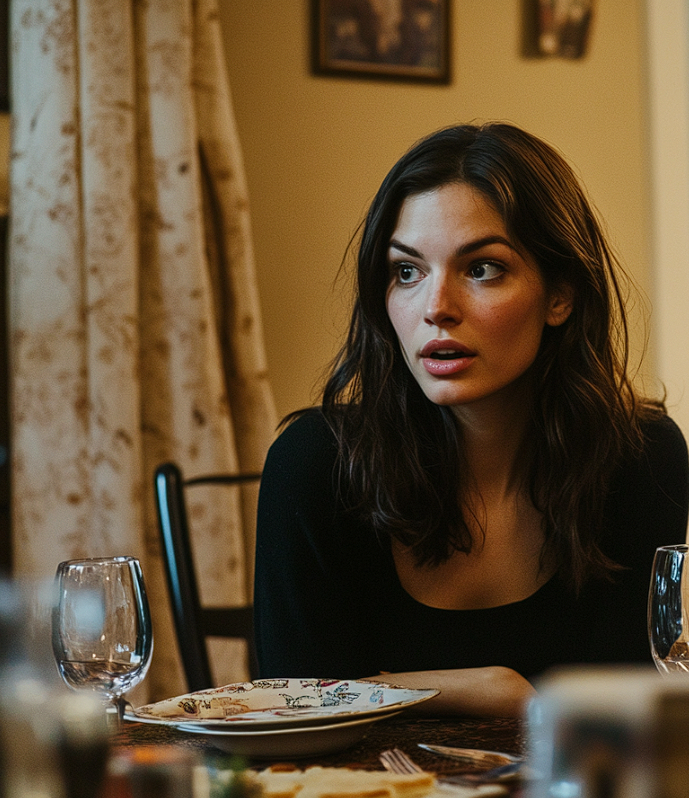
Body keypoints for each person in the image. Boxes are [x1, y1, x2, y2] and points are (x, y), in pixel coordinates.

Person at [253, 122, 689, 717]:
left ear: (560, 294)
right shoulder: (316, 466)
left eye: (483, 268)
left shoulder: (642, 459)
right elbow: (290, 706)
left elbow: (629, 712)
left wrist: (390, 686)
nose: (435, 308)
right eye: (407, 271)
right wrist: (495, 689)